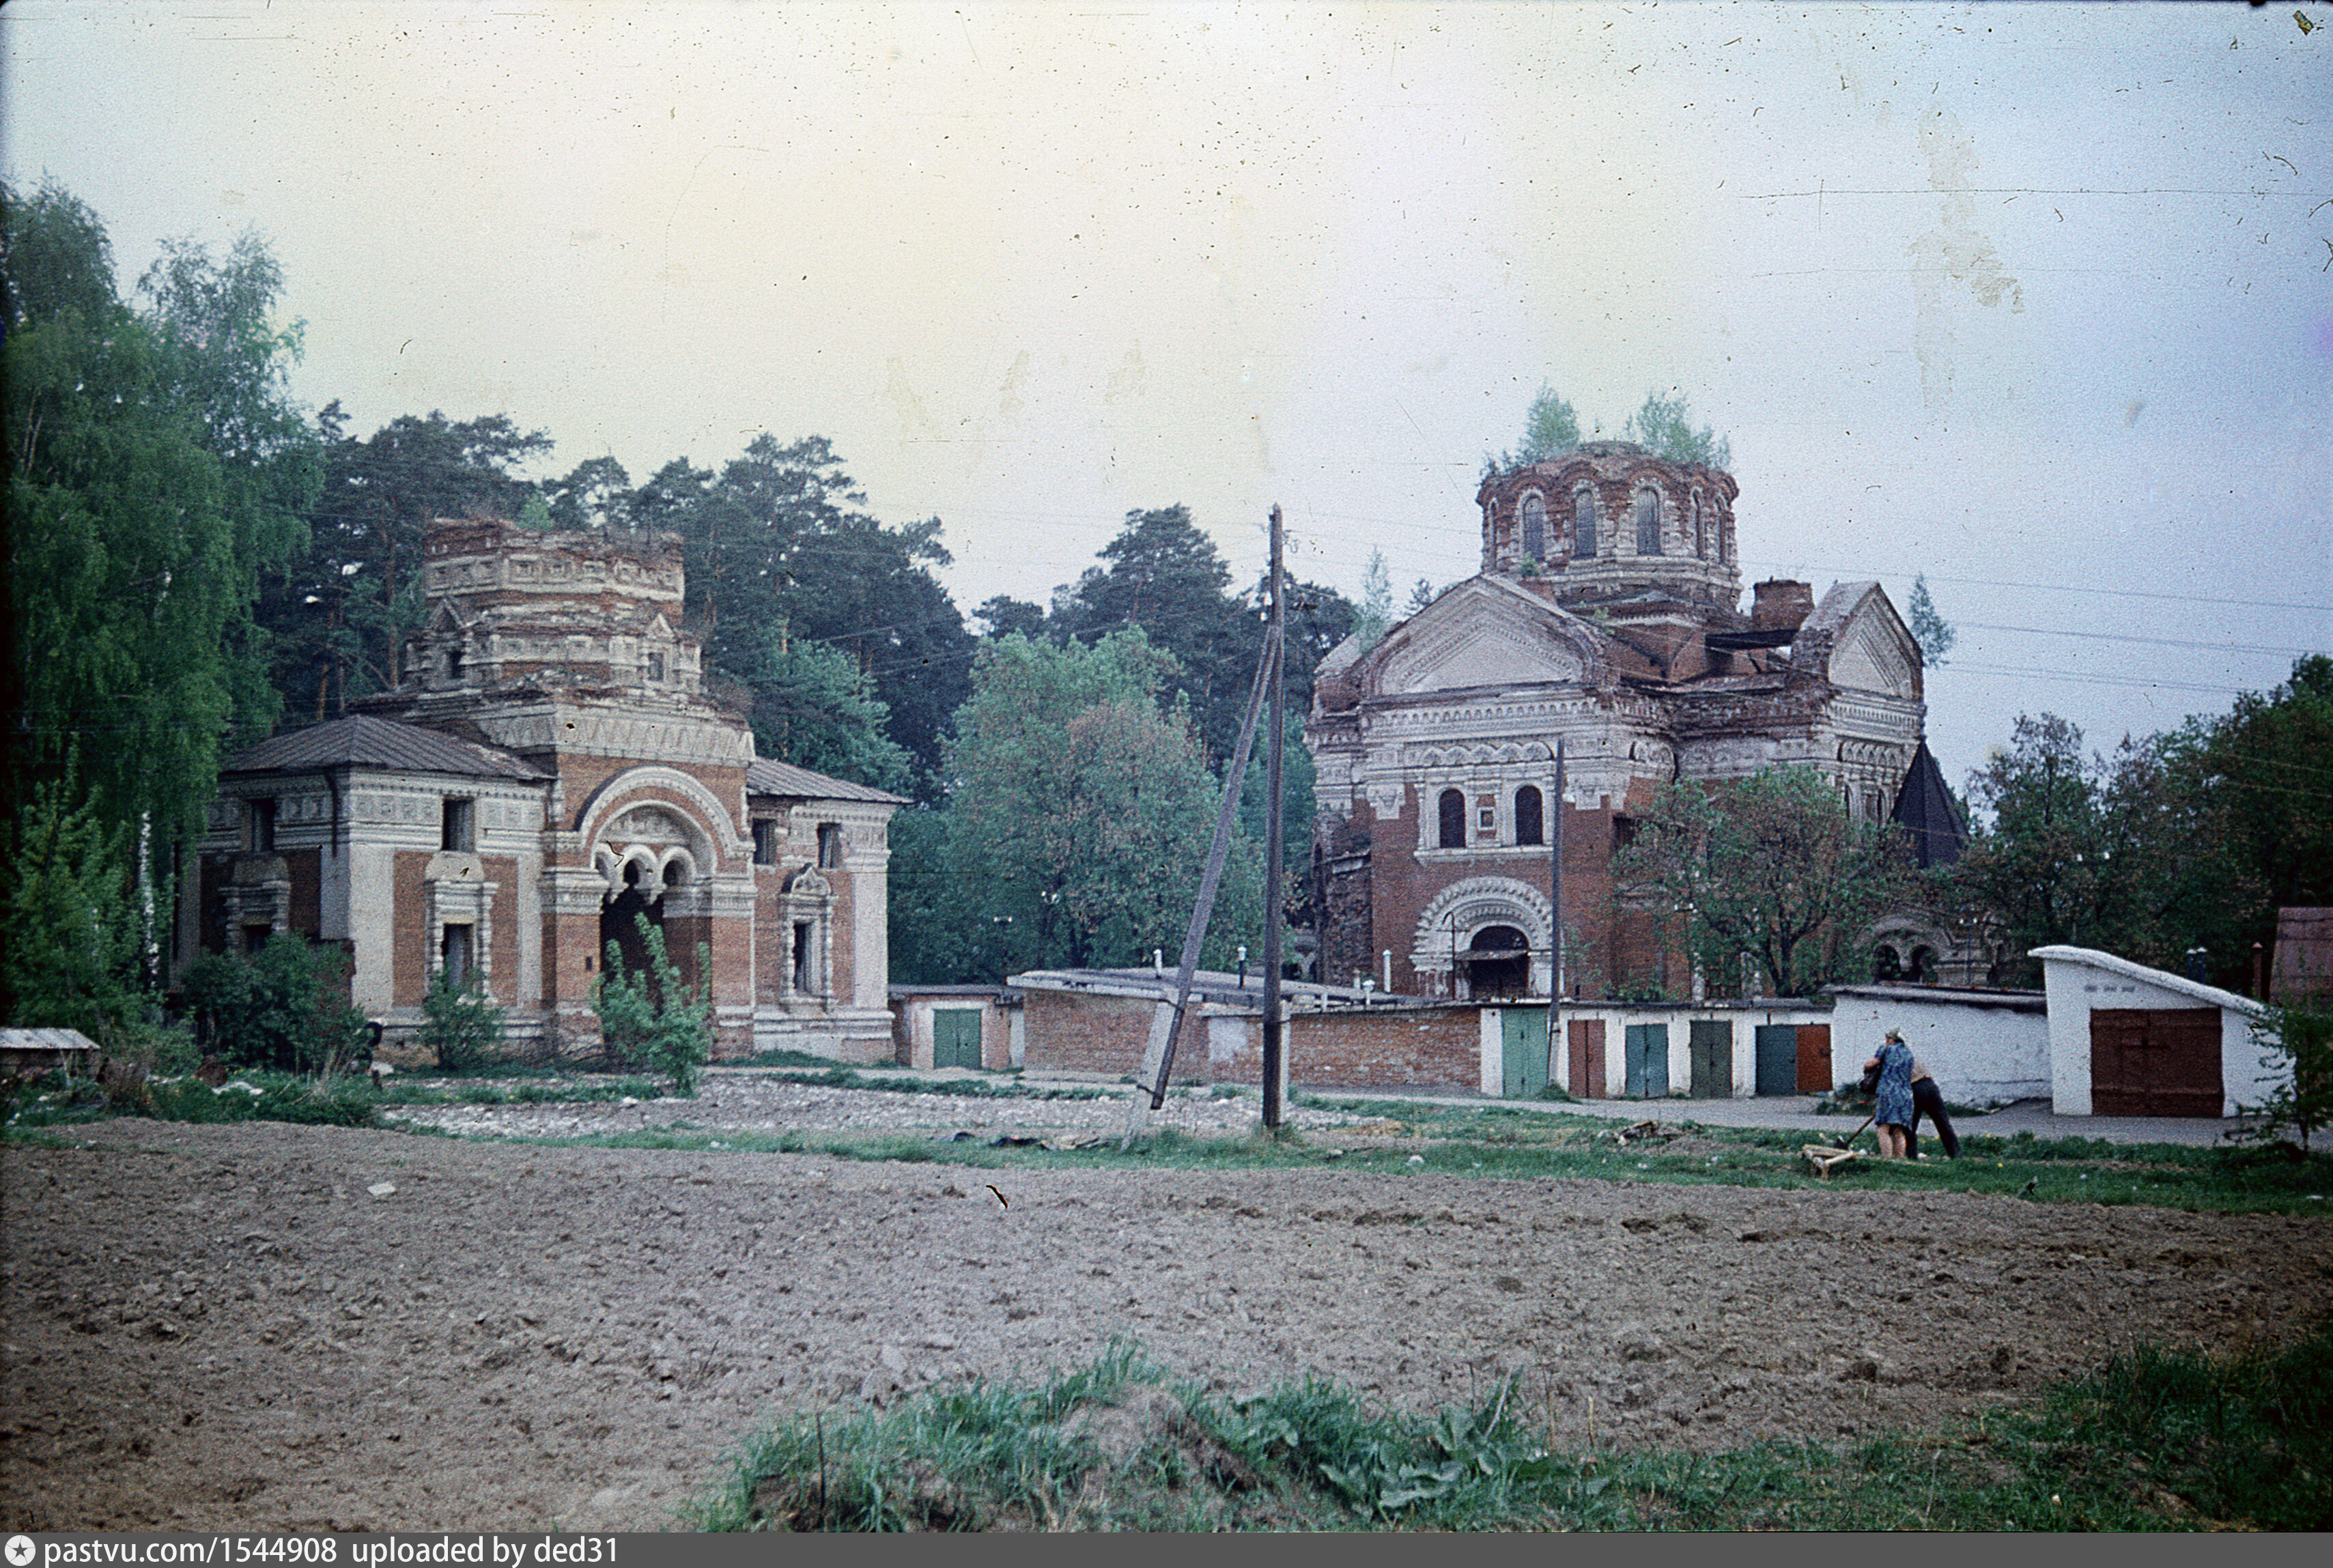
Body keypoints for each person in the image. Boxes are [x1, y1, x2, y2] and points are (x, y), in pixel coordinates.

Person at [1863, 1028, 1917, 1159]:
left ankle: (1887, 1159)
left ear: (1892, 1039)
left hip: (1888, 1094)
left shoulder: (1886, 1049)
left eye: (1887, 1039)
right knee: (1898, 1130)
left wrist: (1867, 1066)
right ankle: (1899, 1160)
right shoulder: (1909, 1054)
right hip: (1906, 1095)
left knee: (1883, 1129)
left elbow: (1870, 1064)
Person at [1906, 1057, 1961, 1159]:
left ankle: (1911, 1156)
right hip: (1931, 1086)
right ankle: (1956, 1154)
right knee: (1943, 1122)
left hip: (1916, 1087)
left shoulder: (1895, 1058)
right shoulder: (1911, 1057)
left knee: (1910, 1124)